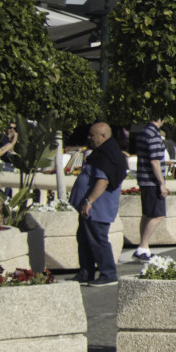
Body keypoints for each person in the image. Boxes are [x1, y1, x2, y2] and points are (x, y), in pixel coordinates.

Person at [69, 122, 127, 286]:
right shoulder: (103, 153)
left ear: (103, 136)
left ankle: (108, 274)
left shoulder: (105, 156)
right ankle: (85, 273)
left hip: (97, 208)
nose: (89, 138)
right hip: (91, 208)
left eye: (92, 135)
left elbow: (103, 180)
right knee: (84, 239)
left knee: (98, 240)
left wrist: (89, 202)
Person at [132, 117, 169, 263]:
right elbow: (154, 161)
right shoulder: (154, 135)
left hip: (144, 179)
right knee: (158, 215)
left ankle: (144, 248)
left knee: (147, 214)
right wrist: (161, 183)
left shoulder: (142, 133)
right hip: (152, 181)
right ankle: (142, 247)